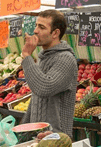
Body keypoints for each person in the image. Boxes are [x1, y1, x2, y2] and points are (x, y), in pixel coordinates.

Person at [21, 10, 78, 138]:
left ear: (55, 33)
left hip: (57, 138)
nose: (35, 31)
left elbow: (44, 88)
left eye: (41, 27)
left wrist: (26, 56)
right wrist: (24, 132)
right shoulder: (44, 57)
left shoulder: (65, 59)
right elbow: (37, 98)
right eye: (36, 25)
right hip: (39, 137)